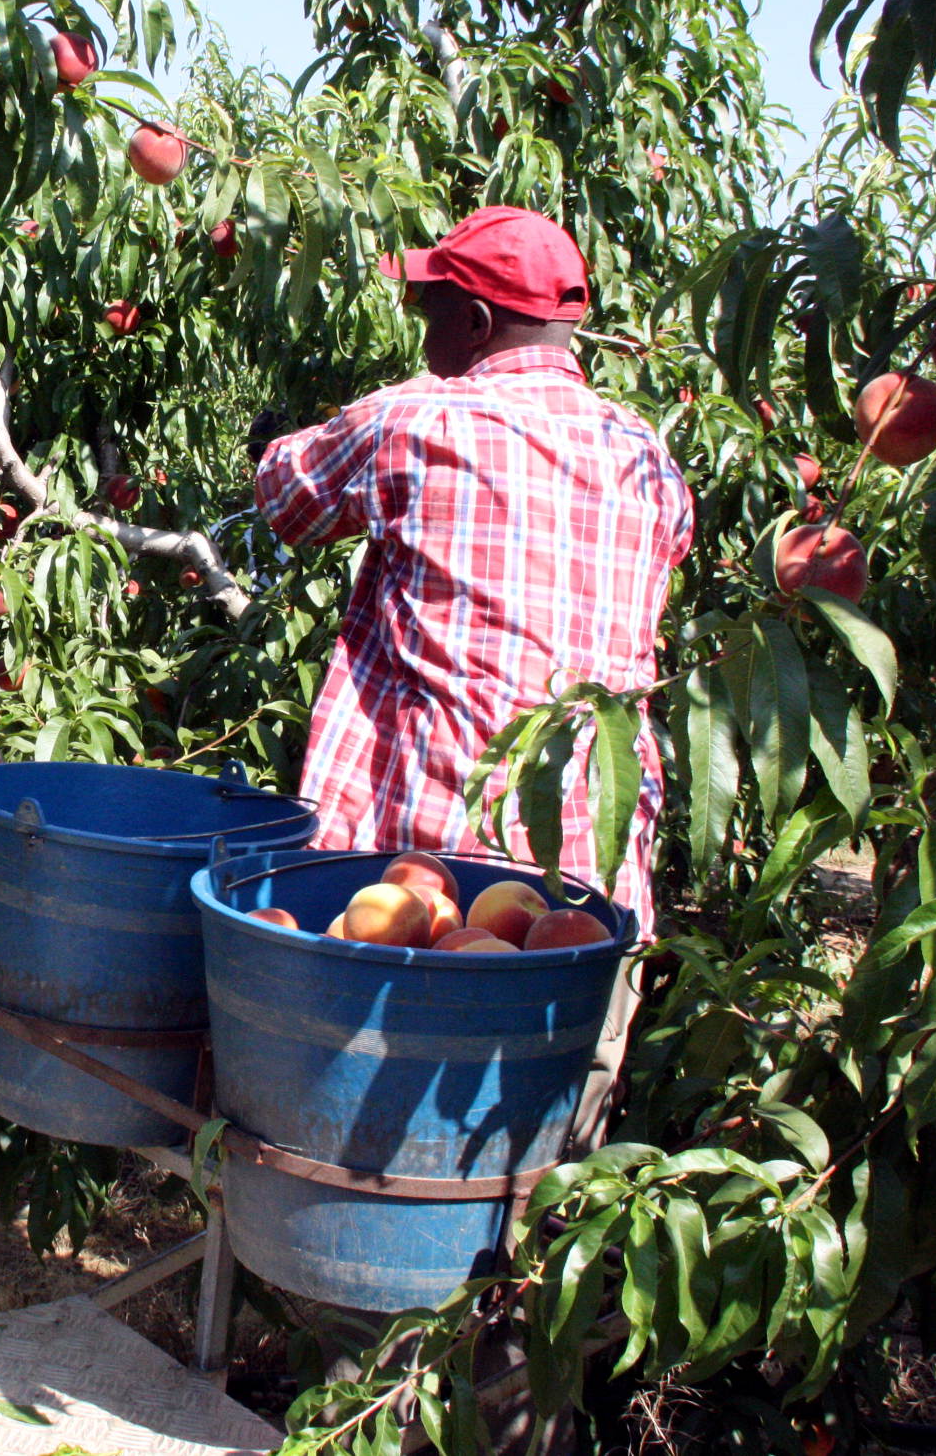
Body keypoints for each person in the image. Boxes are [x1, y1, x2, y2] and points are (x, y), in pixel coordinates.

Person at [252, 206, 693, 1144]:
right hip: (593, 897)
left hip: (431, 901)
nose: (424, 333)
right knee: (540, 1169)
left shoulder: (416, 417)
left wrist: (277, 439)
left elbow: (285, 498)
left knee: (387, 1160)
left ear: (479, 324)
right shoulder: (649, 455)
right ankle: (522, 1290)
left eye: (433, 309)